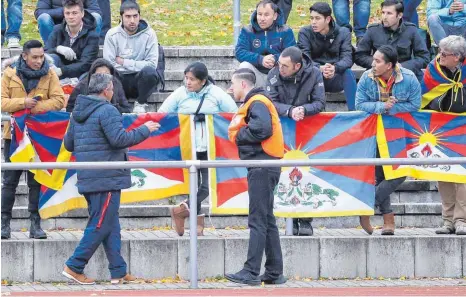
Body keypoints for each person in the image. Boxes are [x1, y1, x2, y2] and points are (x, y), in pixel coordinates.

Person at [62, 73, 160, 284]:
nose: (113, 91)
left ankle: (118, 271)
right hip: (106, 176)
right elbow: (119, 139)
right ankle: (74, 266)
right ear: (106, 90)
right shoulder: (108, 110)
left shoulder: (77, 111)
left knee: (110, 224)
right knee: (100, 224)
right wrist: (145, 130)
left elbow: (69, 144)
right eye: (112, 88)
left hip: (89, 176)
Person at [160, 62, 238, 236]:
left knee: (206, 186)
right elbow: (162, 114)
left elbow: (233, 115)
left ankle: (181, 210)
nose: (188, 82)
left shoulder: (216, 94)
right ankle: (197, 227)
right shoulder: (180, 93)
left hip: (210, 147)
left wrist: (210, 118)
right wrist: (186, 119)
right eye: (186, 78)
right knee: (193, 185)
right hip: (187, 146)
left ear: (203, 81)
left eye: (192, 79)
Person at [226, 68, 286, 286]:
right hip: (267, 164)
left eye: (232, 84)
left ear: (243, 84)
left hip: (262, 165)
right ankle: (274, 271)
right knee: (267, 219)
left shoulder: (256, 102)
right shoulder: (259, 101)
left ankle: (251, 272)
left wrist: (238, 135)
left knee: (258, 219)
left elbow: (262, 129)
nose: (230, 89)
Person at [1, 40, 65, 240]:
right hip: (13, 136)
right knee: (9, 182)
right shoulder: (9, 73)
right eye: (35, 57)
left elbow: (59, 100)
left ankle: (35, 224)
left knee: (36, 181)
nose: (39, 61)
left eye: (41, 56)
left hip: (39, 137)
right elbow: (2, 102)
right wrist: (23, 102)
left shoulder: (50, 73)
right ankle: (4, 224)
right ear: (24, 56)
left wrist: (33, 108)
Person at [355, 45, 421, 236]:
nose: (373, 64)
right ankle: (388, 221)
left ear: (389, 65)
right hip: (374, 132)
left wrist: (393, 109)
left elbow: (415, 104)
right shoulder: (367, 78)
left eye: (377, 61)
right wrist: (382, 106)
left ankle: (367, 207)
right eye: (373, 59)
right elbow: (359, 104)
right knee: (381, 175)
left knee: (399, 172)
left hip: (398, 131)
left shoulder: (408, 78)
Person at [267, 46, 325, 236]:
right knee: (282, 173)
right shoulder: (274, 73)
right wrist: (289, 110)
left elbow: (320, 102)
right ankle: (288, 218)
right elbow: (270, 101)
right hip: (281, 129)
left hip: (306, 130)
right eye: (279, 64)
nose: (280, 68)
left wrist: (304, 110)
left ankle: (306, 220)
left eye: (285, 66)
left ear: (297, 66)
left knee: (305, 172)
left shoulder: (314, 73)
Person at [421, 35, 466, 235]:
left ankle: (461, 220)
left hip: (463, 128)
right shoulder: (433, 69)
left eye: (444, 54)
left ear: (457, 57)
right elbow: (424, 95)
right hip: (442, 129)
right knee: (444, 172)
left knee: (463, 175)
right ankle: (447, 220)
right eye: (439, 52)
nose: (439, 57)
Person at [103, 0, 160, 113]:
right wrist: (138, 64)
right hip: (119, 80)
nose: (132, 20)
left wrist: (124, 62)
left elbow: (152, 64)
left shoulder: (150, 34)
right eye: (128, 16)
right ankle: (118, 105)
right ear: (121, 17)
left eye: (135, 16)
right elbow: (109, 65)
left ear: (140, 16)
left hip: (140, 80)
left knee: (150, 72)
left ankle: (141, 102)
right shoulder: (112, 34)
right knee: (106, 73)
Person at [298, 2, 356, 111]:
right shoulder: (305, 33)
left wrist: (334, 68)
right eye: (311, 18)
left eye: (317, 18)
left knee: (348, 73)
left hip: (335, 75)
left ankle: (355, 113)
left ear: (328, 19)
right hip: (314, 76)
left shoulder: (343, 32)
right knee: (306, 72)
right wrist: (320, 68)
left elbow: (347, 59)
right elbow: (304, 59)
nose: (313, 22)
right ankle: (313, 113)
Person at [354, 0, 430, 82]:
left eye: (389, 13)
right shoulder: (373, 30)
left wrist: (402, 66)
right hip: (378, 75)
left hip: (404, 75)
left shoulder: (411, 30)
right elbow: (359, 56)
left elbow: (424, 57)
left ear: (399, 15)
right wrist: (379, 63)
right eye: (383, 12)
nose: (384, 17)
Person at [235, 0, 296, 87]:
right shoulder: (247, 31)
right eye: (259, 14)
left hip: (279, 75)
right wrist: (260, 59)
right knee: (244, 66)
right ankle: (248, 98)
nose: (262, 18)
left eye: (266, 15)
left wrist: (275, 59)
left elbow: (292, 53)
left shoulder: (286, 31)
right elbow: (239, 52)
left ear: (275, 16)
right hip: (256, 75)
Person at [45, 0, 99, 80]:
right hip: (58, 70)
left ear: (82, 13)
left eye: (74, 13)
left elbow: (86, 63)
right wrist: (57, 49)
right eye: (67, 13)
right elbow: (46, 51)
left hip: (81, 73)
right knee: (51, 57)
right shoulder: (57, 29)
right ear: (64, 14)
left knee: (85, 77)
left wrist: (62, 70)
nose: (70, 17)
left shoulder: (92, 35)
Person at [67, 58, 131, 113]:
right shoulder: (81, 86)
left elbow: (126, 109)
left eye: (107, 74)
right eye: (99, 75)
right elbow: (70, 108)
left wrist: (111, 108)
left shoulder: (116, 84)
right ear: (92, 75)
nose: (103, 78)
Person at [35, 0, 102, 43]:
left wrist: (76, 12)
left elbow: (96, 10)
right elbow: (39, 12)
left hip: (81, 27)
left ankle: (92, 46)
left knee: (96, 17)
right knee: (43, 18)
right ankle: (50, 48)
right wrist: (64, 11)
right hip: (56, 27)